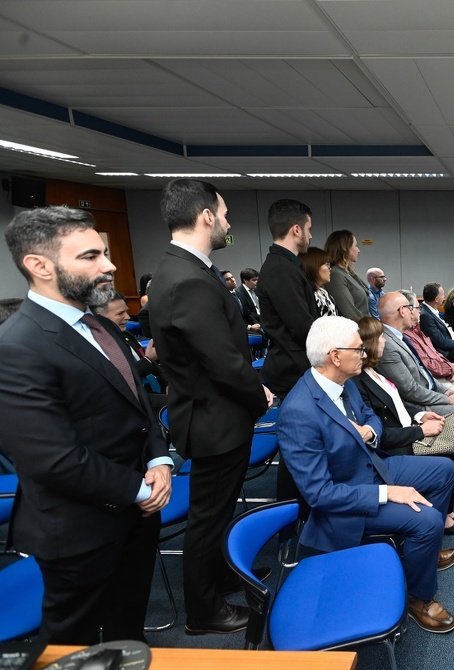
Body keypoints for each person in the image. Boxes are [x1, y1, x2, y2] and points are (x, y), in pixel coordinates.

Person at [0, 205, 171, 644]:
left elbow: (139, 408)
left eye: (106, 253)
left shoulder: (99, 324)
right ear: (39, 266)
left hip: (137, 512)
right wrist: (141, 489)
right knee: (69, 644)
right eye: (90, 256)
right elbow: (52, 459)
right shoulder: (17, 346)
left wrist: (160, 459)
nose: (109, 265)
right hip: (78, 528)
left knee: (127, 630)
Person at [277, 316, 454, 634]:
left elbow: (371, 417)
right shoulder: (298, 412)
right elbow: (319, 495)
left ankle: (422, 555)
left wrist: (370, 433)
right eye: (359, 349)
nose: (365, 354)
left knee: (444, 469)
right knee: (427, 520)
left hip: (370, 466)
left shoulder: (342, 382)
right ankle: (420, 598)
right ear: (335, 355)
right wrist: (388, 493)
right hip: (344, 503)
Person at [148, 179, 272, 636]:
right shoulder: (186, 278)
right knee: (208, 517)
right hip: (213, 419)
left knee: (215, 513)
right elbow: (222, 360)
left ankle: (218, 579)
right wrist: (259, 396)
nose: (228, 223)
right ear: (205, 216)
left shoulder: (182, 269)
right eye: (224, 214)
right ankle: (204, 611)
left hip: (214, 414)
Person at [354, 316, 454, 534]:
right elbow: (381, 431)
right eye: (381, 338)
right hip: (395, 445)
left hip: (408, 426)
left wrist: (420, 416)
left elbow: (396, 404)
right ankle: (439, 519)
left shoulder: (375, 370)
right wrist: (419, 431)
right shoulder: (359, 381)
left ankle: (443, 511)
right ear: (368, 343)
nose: (385, 342)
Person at [377, 292, 454, 500]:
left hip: (429, 393)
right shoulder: (388, 345)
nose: (414, 312)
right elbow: (410, 390)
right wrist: (448, 399)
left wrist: (447, 390)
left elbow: (424, 374)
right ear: (402, 311)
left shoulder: (400, 336)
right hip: (416, 406)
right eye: (412, 308)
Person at [256, 198, 318, 398]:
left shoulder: (286, 266)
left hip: (296, 366)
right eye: (308, 229)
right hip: (293, 371)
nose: (310, 235)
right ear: (296, 230)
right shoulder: (281, 270)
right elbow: (300, 325)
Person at [400, 290, 454, 398]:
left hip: (442, 369)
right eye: (418, 308)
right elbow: (427, 363)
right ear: (409, 310)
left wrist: (450, 365)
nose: (420, 311)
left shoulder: (417, 328)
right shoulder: (408, 334)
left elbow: (434, 352)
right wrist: (450, 368)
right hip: (434, 377)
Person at [93, 291, 169, 399]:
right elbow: (120, 379)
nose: (128, 317)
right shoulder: (98, 345)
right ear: (100, 317)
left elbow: (154, 367)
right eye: (120, 314)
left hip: (156, 391)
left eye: (127, 312)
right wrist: (148, 360)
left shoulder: (126, 335)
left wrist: (168, 384)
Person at [324, 230, 369, 318]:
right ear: (345, 248)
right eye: (355, 246)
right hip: (357, 329)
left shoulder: (348, 273)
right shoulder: (336, 275)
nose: (358, 250)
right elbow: (351, 314)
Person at [299, 247, 339, 317]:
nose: (330, 268)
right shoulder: (309, 295)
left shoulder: (324, 293)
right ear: (314, 267)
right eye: (327, 264)